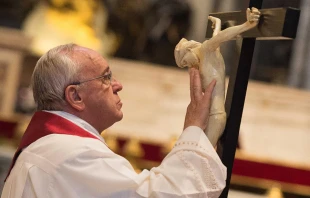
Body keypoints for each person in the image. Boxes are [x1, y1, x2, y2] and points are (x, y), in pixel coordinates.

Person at [1, 44, 226, 198]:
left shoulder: (48, 148)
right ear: (75, 96)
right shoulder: (72, 154)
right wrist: (194, 128)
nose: (118, 85)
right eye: (106, 78)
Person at [174, 7, 261, 146]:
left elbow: (221, 37)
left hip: (215, 115)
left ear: (189, 50)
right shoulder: (208, 56)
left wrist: (247, 25)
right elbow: (217, 37)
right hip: (209, 116)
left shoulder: (206, 50)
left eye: (185, 61)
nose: (188, 65)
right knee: (199, 154)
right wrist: (218, 24)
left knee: (200, 156)